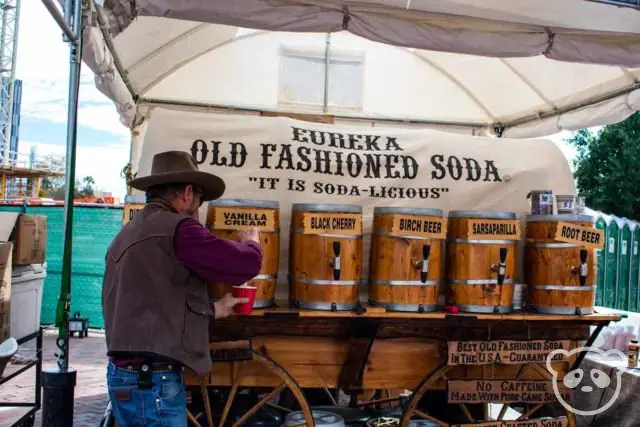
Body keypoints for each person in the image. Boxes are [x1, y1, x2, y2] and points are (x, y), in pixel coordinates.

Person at [102, 150, 263, 426]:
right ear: (188, 193)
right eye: (198, 197)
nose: (197, 206)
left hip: (122, 376)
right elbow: (244, 265)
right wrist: (253, 244)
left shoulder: (127, 233)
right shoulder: (179, 228)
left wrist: (212, 308)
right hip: (152, 381)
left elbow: (152, 299)